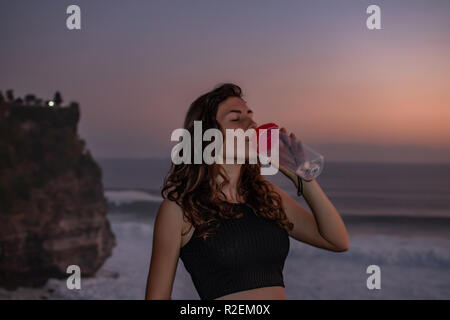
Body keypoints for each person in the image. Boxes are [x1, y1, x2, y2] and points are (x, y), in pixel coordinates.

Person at [145, 83, 349, 300]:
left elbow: (336, 241)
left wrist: (304, 178)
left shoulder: (265, 195)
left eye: (250, 116)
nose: (251, 124)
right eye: (236, 119)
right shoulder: (181, 209)